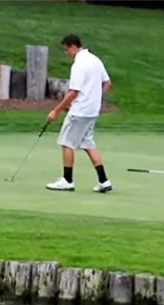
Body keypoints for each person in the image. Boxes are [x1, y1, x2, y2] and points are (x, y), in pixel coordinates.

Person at [45, 34, 113, 193]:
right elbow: (107, 83)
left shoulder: (79, 64)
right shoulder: (95, 60)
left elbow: (73, 92)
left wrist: (55, 111)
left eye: (66, 50)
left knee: (66, 142)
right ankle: (103, 180)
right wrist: (97, 99)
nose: (66, 53)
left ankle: (67, 180)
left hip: (80, 110)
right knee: (88, 143)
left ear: (73, 46)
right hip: (92, 111)